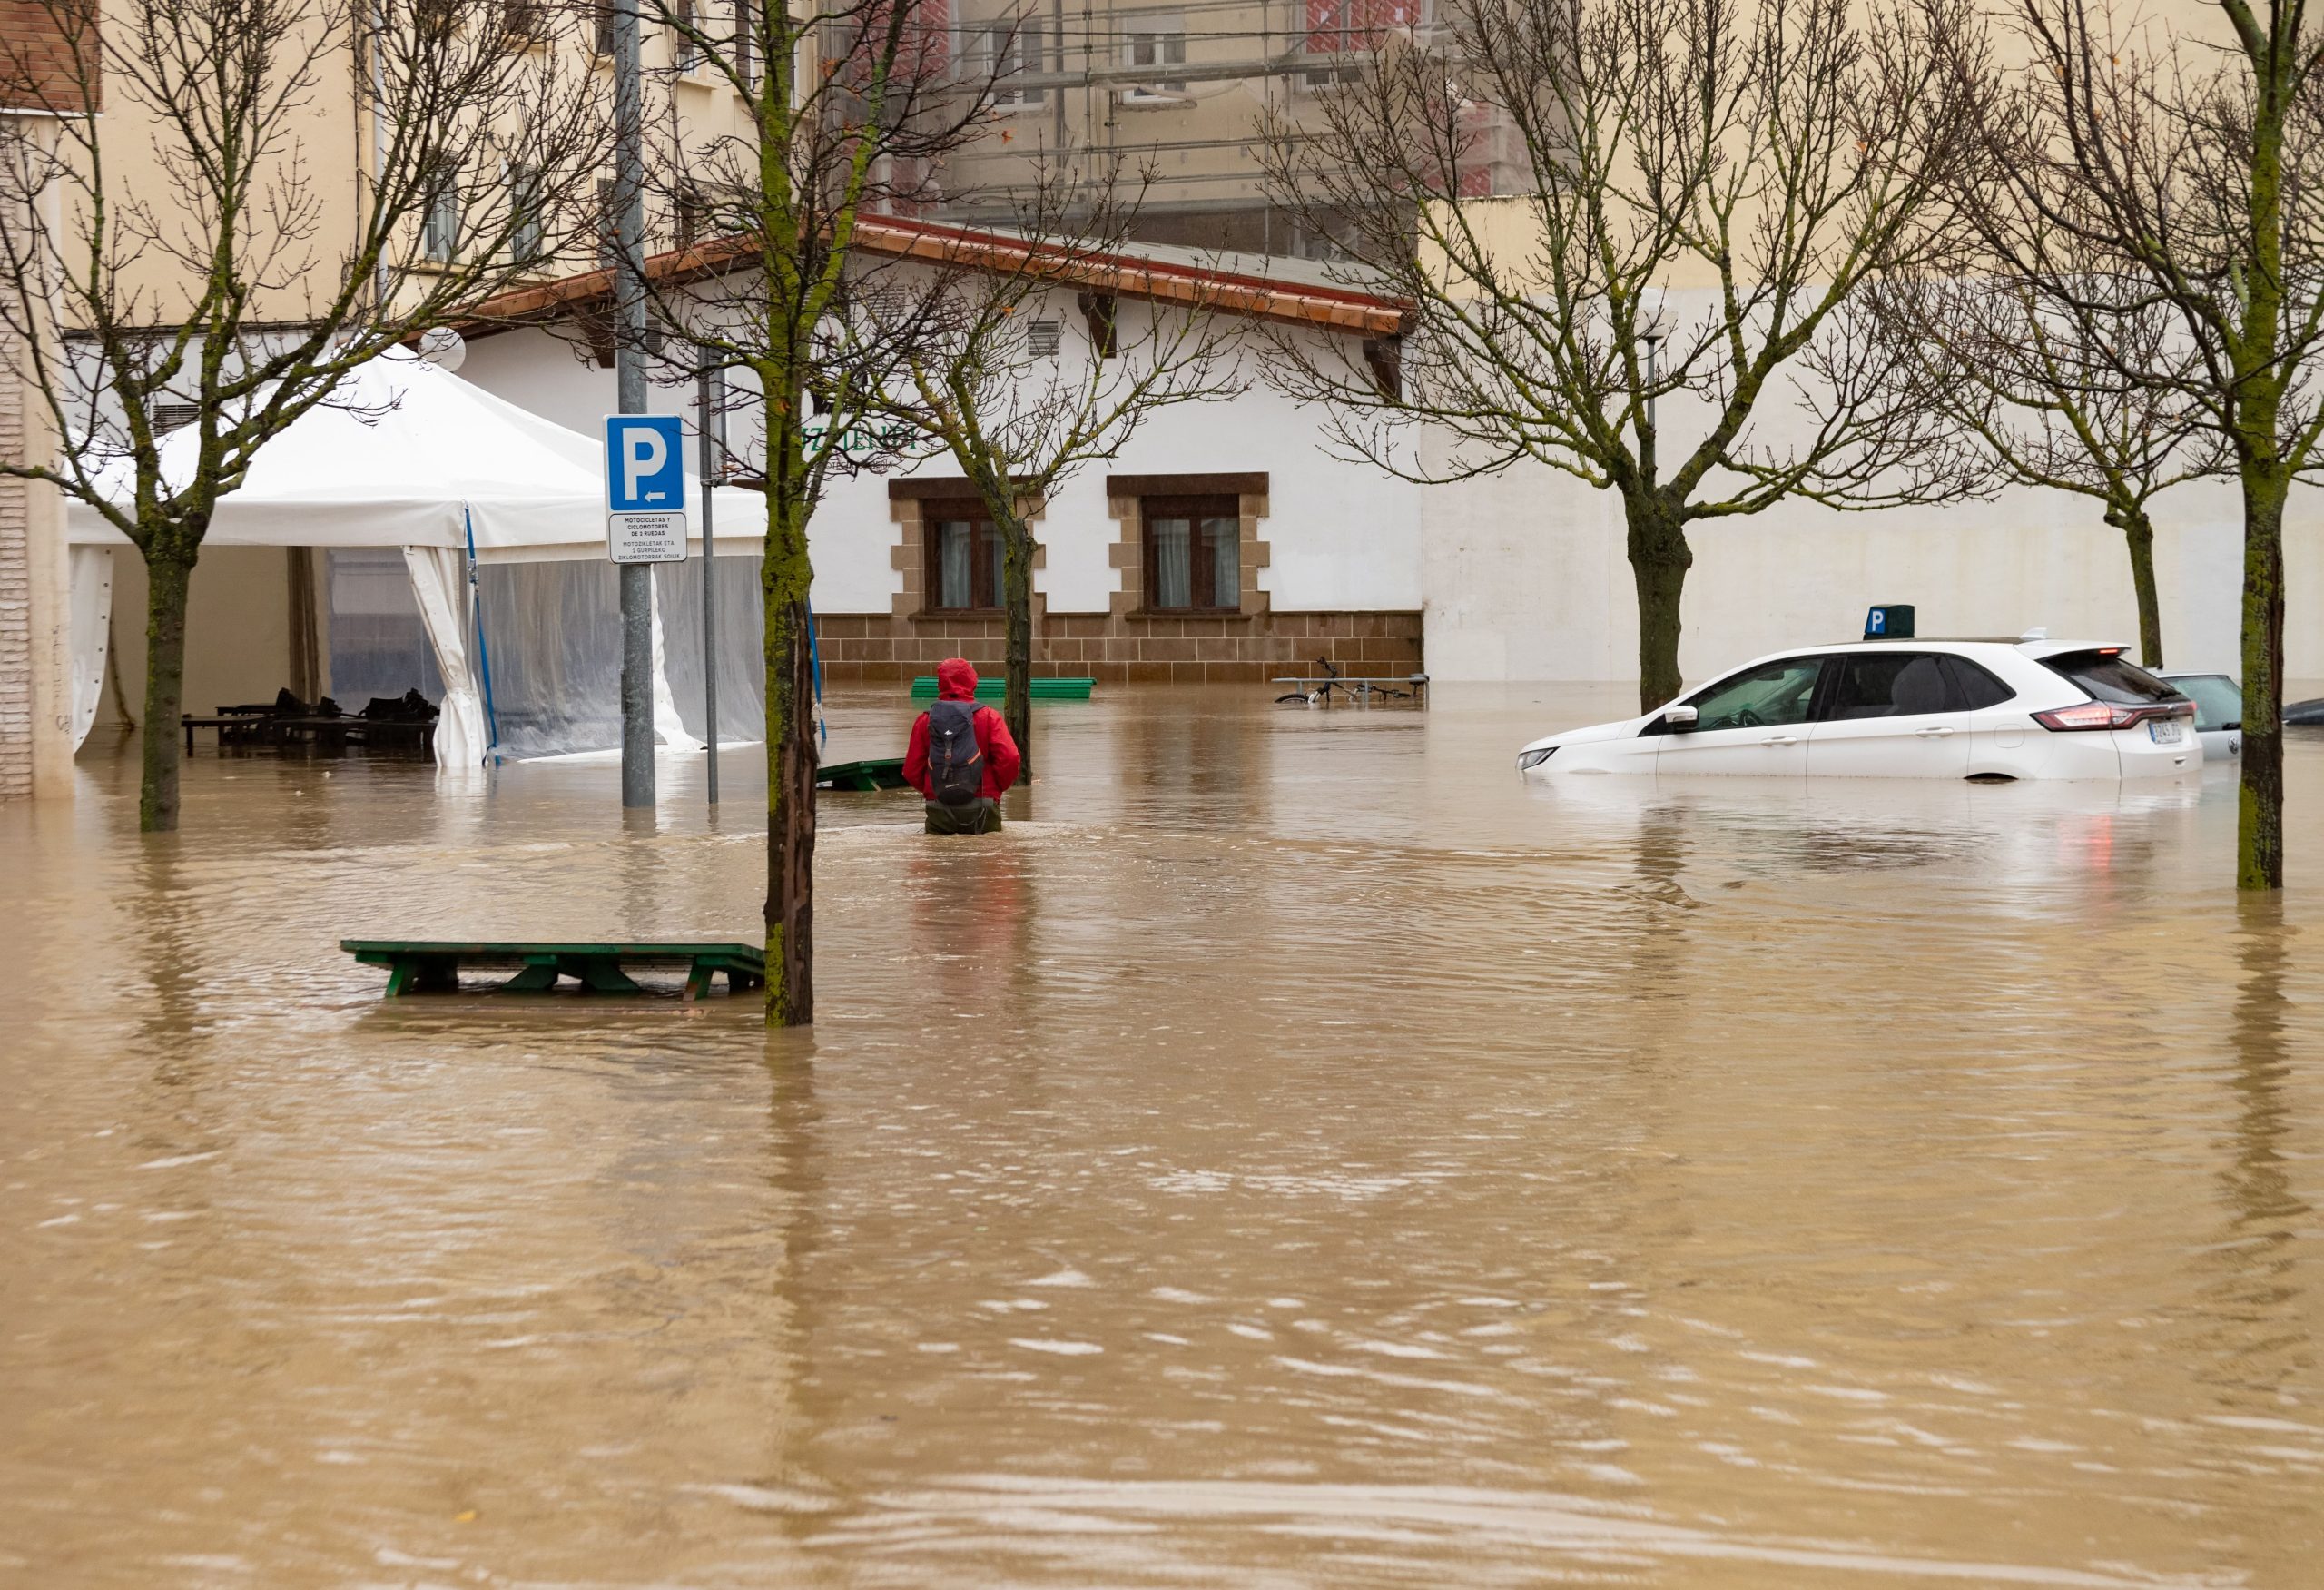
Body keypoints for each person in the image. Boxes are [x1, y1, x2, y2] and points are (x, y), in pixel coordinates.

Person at [901, 657, 1020, 835]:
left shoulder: (925, 720)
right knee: (990, 849)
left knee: (938, 852)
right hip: (984, 805)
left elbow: (911, 770)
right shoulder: (989, 716)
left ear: (940, 684)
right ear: (972, 682)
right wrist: (995, 789)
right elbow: (1010, 758)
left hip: (938, 808)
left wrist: (934, 789)